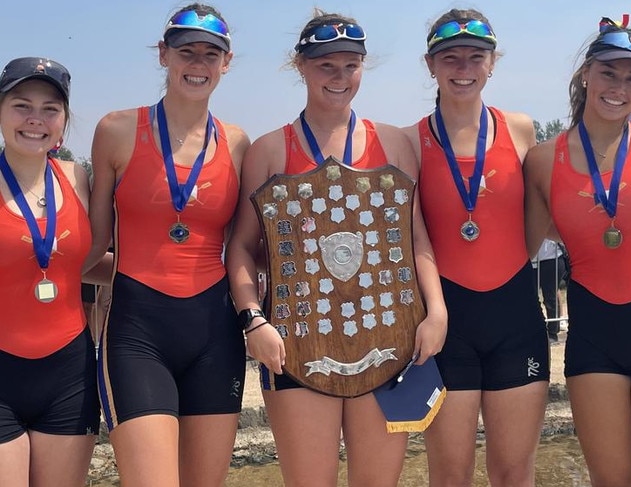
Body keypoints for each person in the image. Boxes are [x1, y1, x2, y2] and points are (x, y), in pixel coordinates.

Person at [226, 9, 447, 487]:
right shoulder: (269, 150)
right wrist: (253, 319)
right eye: (326, 65)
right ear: (300, 65)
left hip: (387, 336)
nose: (340, 77)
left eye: (351, 64)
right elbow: (241, 247)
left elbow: (416, 239)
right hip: (297, 341)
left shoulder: (395, 143)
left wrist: (437, 310)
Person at [84, 4, 250, 486]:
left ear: (227, 62)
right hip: (137, 332)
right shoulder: (116, 130)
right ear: (164, 55)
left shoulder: (238, 143)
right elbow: (93, 247)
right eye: (186, 52)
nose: (197, 64)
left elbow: (244, 250)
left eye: (210, 55)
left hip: (215, 334)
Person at [402, 8, 550, 486]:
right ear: (430, 64)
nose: (463, 68)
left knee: (513, 472)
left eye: (475, 57)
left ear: (492, 63)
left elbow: (537, 221)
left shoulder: (521, 130)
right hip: (446, 324)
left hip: (516, 316)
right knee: (450, 473)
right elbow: (410, 235)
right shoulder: (410, 143)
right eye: (450, 58)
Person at [524, 15, 631, 486]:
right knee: (612, 480)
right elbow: (517, 253)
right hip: (594, 338)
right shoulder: (542, 160)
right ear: (586, 74)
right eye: (609, 73)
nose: (619, 87)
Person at [0, 57, 99, 486]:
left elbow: (87, 263)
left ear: (64, 120)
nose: (35, 120)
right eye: (22, 105)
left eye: (50, 109)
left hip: (70, 374)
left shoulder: (77, 178)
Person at [532, 239, 568, 342]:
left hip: (552, 257)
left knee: (550, 297)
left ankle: (552, 333)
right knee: (531, 297)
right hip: (533, 258)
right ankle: (540, 327)